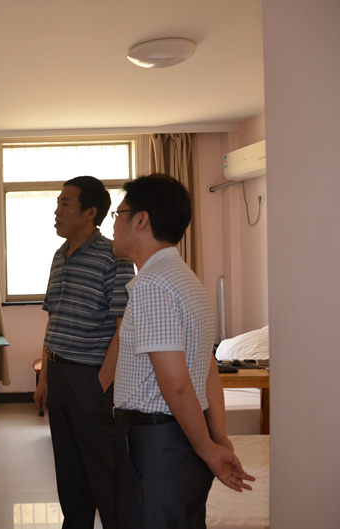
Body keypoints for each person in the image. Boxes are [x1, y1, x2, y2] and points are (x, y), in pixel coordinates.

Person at [110, 174, 255, 529]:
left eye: (119, 213)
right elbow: (207, 369)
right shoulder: (187, 280)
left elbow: (176, 384)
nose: (112, 224)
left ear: (141, 220)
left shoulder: (152, 285)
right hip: (184, 436)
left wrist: (209, 449)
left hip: (159, 444)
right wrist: (216, 439)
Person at [34, 176, 135, 529]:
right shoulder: (59, 257)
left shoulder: (114, 257)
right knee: (69, 473)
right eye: (58, 202)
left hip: (91, 376)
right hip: (60, 375)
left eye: (65, 203)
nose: (57, 210)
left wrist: (100, 386)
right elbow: (54, 321)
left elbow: (123, 328)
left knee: (105, 475)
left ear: (90, 212)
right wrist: (45, 380)